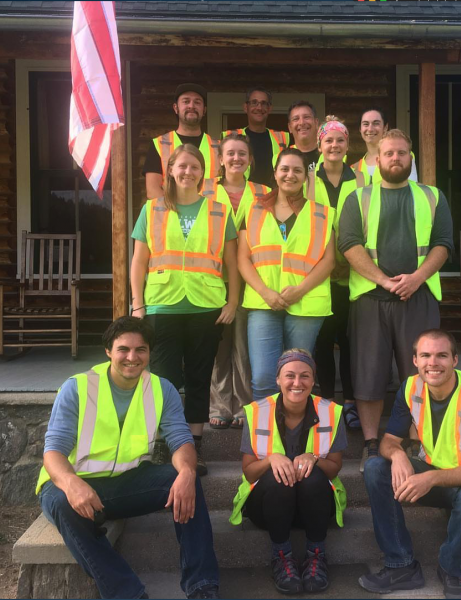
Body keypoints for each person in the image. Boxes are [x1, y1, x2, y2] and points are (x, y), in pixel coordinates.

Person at [36, 316, 220, 599]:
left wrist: (186, 472)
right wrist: (72, 483)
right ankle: (127, 594)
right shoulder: (77, 387)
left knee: (186, 479)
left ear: (149, 353)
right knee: (62, 503)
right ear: (108, 351)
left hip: (124, 486)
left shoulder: (162, 389)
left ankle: (203, 586)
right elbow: (53, 452)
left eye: (141, 350)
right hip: (70, 486)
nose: (132, 357)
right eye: (123, 349)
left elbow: (181, 440)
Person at [359, 329, 461, 599]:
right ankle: (401, 565)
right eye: (426, 355)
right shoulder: (410, 387)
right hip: (437, 477)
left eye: (442, 355)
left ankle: (451, 569)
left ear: (455, 360)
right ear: (415, 360)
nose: (433, 363)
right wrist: (397, 456)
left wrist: (429, 479)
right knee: (375, 467)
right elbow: (388, 441)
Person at [338, 129, 454, 472]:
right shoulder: (358, 198)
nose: (395, 159)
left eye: (402, 153)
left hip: (418, 298)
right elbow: (348, 244)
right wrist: (384, 280)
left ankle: (420, 445)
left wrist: (416, 278)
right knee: (368, 373)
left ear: (411, 158)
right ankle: (372, 445)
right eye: (388, 154)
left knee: (420, 373)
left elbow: (443, 244)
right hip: (370, 298)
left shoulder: (433, 196)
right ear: (376, 160)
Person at [131, 144, 239, 476]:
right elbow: (138, 261)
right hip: (163, 305)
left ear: (202, 173)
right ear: (171, 171)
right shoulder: (151, 209)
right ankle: (166, 442)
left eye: (194, 167)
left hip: (206, 307)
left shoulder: (220, 211)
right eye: (182, 166)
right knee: (164, 379)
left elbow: (232, 263)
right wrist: (137, 305)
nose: (188, 172)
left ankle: (194, 444)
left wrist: (233, 300)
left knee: (198, 378)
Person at [230, 349, 347, 595]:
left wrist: (314, 458)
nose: (297, 383)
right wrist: (272, 459)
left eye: (305, 376)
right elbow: (250, 473)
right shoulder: (257, 411)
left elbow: (335, 467)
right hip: (268, 507)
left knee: (314, 475)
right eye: (289, 376)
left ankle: (316, 555)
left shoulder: (331, 411)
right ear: (278, 380)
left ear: (313, 380)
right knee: (279, 477)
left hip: (313, 507)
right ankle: (281, 557)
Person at [238, 148, 335, 401]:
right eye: (285, 169)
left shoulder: (322, 213)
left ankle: (295, 436)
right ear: (275, 173)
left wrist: (299, 290)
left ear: (305, 177)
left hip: (306, 304)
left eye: (297, 170)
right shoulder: (254, 210)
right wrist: (266, 292)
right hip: (263, 302)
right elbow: (242, 258)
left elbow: (328, 261)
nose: (290, 175)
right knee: (262, 377)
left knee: (298, 377)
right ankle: (264, 438)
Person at [202, 133, 271, 429]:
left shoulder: (265, 191)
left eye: (242, 154)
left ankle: (244, 406)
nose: (236, 159)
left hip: (252, 276)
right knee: (218, 347)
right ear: (220, 159)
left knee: (244, 347)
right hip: (212, 279)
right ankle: (219, 404)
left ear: (250, 160)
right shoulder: (203, 191)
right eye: (230, 153)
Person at [306, 116, 365, 429]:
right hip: (316, 275)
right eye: (328, 140)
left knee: (350, 341)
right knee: (323, 342)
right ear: (320, 144)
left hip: (350, 274)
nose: (334, 145)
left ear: (347, 146)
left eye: (340, 141)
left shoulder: (361, 181)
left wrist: (350, 259)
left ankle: (352, 402)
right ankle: (327, 402)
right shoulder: (307, 177)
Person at [143, 83, 219, 199]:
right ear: (176, 108)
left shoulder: (218, 147)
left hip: (208, 214)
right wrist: (180, 213)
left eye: (197, 102)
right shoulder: (159, 145)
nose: (191, 106)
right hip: (173, 214)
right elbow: (153, 190)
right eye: (186, 101)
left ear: (204, 110)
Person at [221, 87, 290, 186]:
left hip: (273, 197)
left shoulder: (283, 138)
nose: (259, 108)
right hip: (242, 197)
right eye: (254, 102)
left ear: (269, 108)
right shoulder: (229, 136)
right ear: (245, 107)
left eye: (264, 103)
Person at [350, 108, 418, 186]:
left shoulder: (402, 156)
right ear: (360, 129)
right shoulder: (354, 167)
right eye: (366, 124)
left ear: (385, 127)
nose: (370, 129)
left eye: (376, 123)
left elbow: (410, 189)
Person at [272, 101, 321, 174]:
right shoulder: (280, 158)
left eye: (306, 117)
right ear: (290, 127)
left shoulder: (331, 153)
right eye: (296, 119)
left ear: (316, 123)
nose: (302, 122)